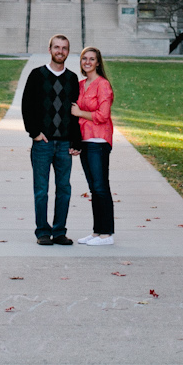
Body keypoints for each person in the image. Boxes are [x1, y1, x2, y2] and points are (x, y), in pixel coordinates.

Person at [20, 34, 81, 245]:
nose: (60, 51)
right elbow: (26, 106)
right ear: (50, 49)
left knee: (64, 188)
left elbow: (76, 113)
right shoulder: (37, 75)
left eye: (64, 48)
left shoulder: (72, 79)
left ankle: (60, 231)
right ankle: (43, 232)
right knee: (41, 190)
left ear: (68, 51)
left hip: (64, 144)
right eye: (57, 47)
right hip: (43, 143)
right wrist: (34, 133)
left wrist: (76, 141)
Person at [71, 45, 115, 246]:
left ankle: (107, 234)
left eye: (91, 59)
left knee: (100, 187)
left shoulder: (103, 85)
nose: (87, 62)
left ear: (98, 62)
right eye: (84, 59)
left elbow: (102, 116)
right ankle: (97, 232)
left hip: (99, 141)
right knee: (93, 188)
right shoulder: (80, 85)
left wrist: (80, 113)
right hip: (86, 141)